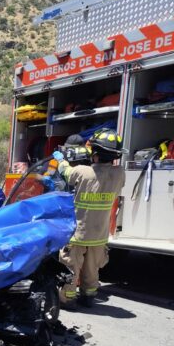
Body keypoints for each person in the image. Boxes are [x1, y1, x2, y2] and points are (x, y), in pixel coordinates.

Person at [55, 129, 126, 309]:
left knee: (71, 266)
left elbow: (65, 171)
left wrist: (60, 159)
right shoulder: (119, 173)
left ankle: (67, 299)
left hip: (79, 232)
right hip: (99, 234)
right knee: (92, 268)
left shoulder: (82, 172)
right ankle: (88, 296)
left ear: (94, 153)